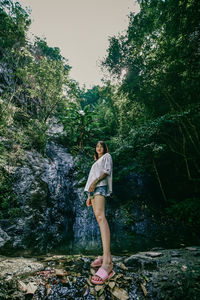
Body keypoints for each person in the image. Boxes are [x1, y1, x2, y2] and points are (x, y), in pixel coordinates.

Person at [84, 140, 115, 284]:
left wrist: (95, 183)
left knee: (101, 218)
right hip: (94, 190)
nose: (99, 148)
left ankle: (107, 261)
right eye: (97, 146)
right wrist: (89, 196)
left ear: (104, 148)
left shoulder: (107, 156)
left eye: (101, 146)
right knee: (98, 217)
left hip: (100, 186)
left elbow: (105, 172)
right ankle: (104, 256)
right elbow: (91, 180)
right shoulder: (95, 162)